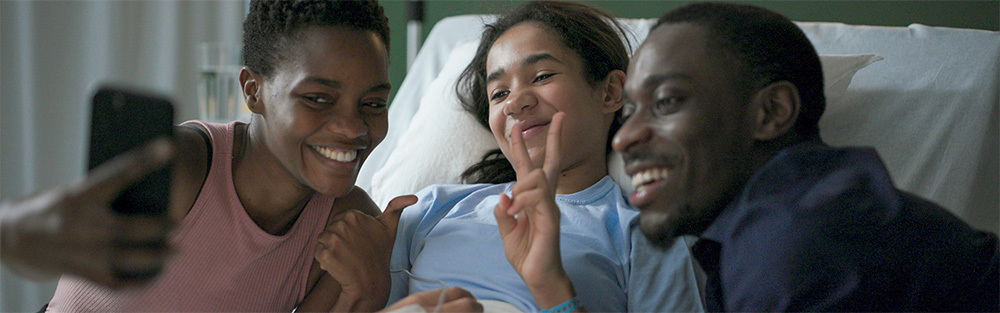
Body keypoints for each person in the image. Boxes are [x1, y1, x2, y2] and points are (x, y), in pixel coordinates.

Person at [35, 1, 447, 312]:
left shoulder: (348, 226)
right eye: (318, 99)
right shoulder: (181, 169)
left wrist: (369, 289)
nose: (353, 128)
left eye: (373, 104)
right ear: (253, 91)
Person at [609, 2, 1000, 311]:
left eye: (667, 101)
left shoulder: (792, 252)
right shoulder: (810, 213)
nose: (624, 137)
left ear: (772, 111)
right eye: (628, 112)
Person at [315, 2, 703, 312]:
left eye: (542, 76)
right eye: (499, 93)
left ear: (610, 92)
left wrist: (552, 289)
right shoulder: (432, 211)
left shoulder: (644, 236)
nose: (516, 101)